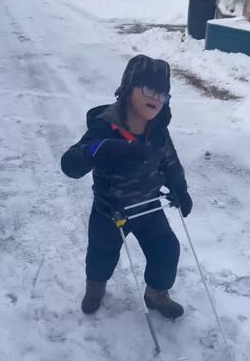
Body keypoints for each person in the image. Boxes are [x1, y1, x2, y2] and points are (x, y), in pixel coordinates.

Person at [61, 54, 193, 319]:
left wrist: (179, 187)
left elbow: (170, 162)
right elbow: (70, 164)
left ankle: (156, 294)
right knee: (101, 254)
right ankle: (95, 288)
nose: (156, 98)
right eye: (149, 88)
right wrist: (98, 149)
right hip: (110, 211)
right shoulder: (105, 127)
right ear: (128, 88)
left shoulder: (158, 131)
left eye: (163, 93)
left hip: (148, 208)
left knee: (167, 249)